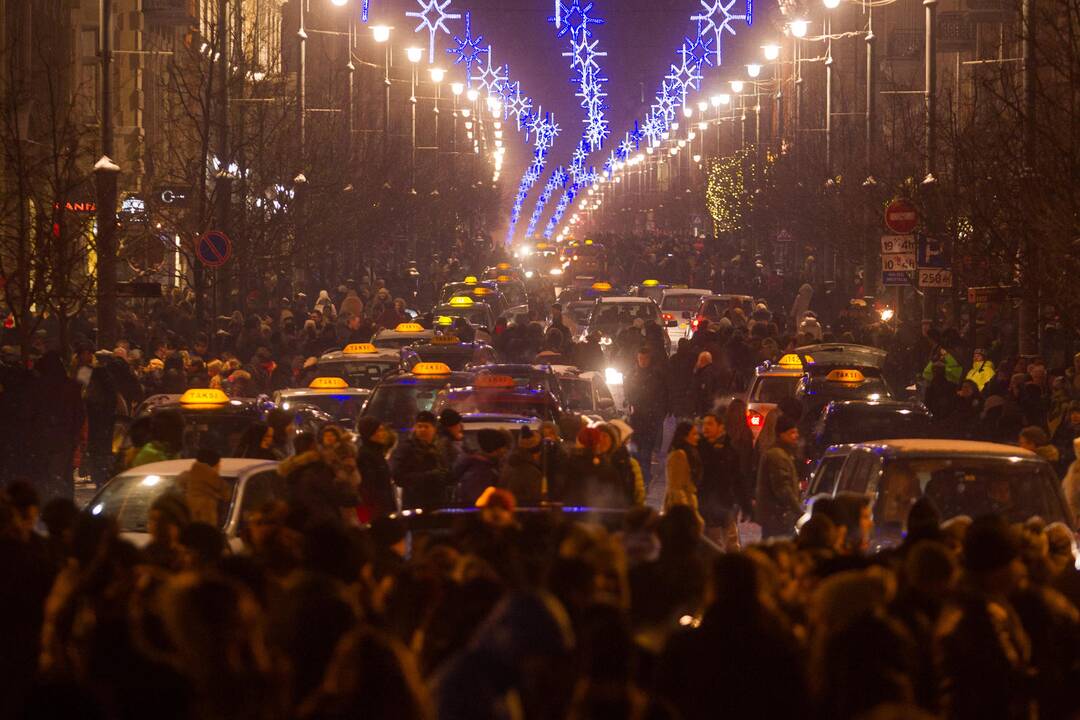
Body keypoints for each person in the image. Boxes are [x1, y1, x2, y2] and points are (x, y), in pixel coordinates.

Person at [698, 412, 750, 550]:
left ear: (721, 427)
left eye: (710, 424)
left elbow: (737, 479)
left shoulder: (730, 451)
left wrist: (745, 505)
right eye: (704, 424)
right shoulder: (700, 449)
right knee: (713, 548)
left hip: (725, 507)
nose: (705, 428)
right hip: (706, 510)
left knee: (731, 546)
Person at [624, 346, 668, 488]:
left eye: (645, 359)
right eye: (640, 358)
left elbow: (662, 396)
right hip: (636, 418)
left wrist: (659, 413)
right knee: (636, 449)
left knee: (646, 450)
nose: (642, 361)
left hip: (650, 418)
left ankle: (645, 477)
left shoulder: (656, 375)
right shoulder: (632, 374)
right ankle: (639, 477)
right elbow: (628, 392)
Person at [390, 411, 451, 510]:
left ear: (434, 429)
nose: (422, 430)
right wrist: (428, 476)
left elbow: (449, 471)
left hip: (439, 503)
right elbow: (398, 477)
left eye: (426, 427)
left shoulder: (442, 447)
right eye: (419, 426)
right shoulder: (406, 448)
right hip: (415, 504)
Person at [755, 415, 802, 539]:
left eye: (796, 432)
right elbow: (783, 488)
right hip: (777, 517)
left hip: (777, 517)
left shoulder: (782, 453)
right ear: (782, 434)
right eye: (792, 432)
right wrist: (798, 511)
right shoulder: (777, 456)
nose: (796, 436)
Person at [452, 429, 510, 505]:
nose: (505, 450)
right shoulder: (479, 471)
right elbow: (475, 502)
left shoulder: (488, 466)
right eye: (503, 447)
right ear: (495, 448)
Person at [355, 417, 397, 522]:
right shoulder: (365, 456)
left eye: (383, 430)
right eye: (379, 430)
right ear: (370, 434)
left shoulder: (377, 452)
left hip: (383, 509)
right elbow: (369, 488)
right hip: (376, 513)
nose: (383, 433)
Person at [176, 447, 231, 527]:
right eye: (218, 465)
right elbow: (227, 496)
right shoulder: (217, 486)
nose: (219, 467)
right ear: (214, 465)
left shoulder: (183, 483)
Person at [664, 421, 702, 517]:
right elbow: (676, 488)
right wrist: (684, 513)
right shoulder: (679, 455)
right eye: (693, 434)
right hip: (680, 508)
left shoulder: (690, 453)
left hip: (687, 504)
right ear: (684, 436)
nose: (697, 437)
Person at [501, 427, 545, 504]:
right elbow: (535, 499)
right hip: (523, 513)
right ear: (536, 452)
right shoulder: (531, 472)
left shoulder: (510, 464)